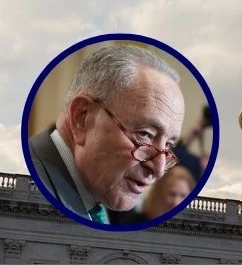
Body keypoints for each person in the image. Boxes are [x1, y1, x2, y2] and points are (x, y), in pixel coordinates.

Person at [28, 45, 185, 224]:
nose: (158, 169)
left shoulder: (92, 197)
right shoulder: (35, 187)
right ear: (83, 118)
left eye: (168, 146)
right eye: (145, 134)